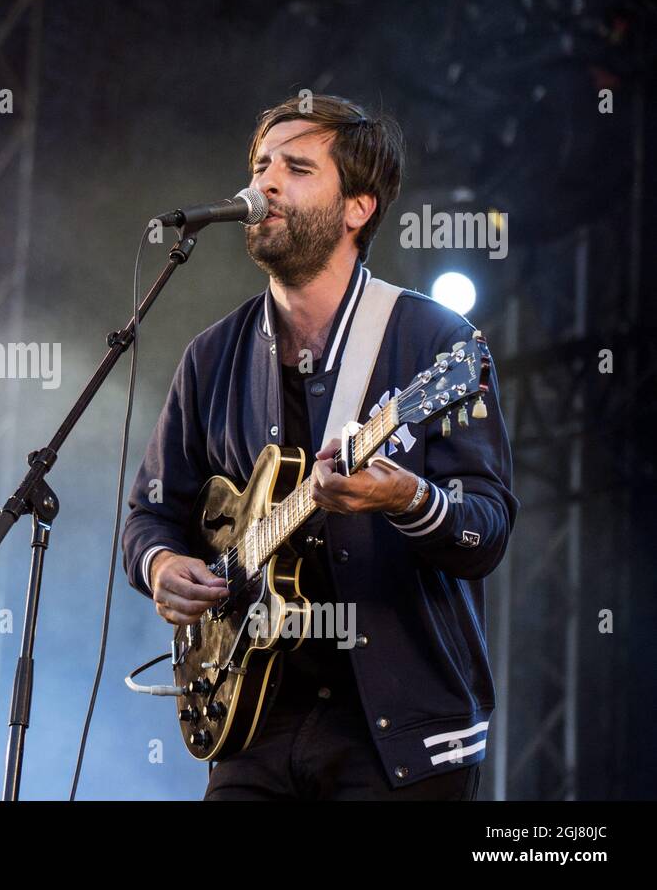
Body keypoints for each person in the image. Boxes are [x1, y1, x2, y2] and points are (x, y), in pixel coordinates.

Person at [121, 94, 518, 800]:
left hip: (397, 739)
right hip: (252, 726)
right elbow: (149, 513)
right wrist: (161, 565)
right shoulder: (212, 355)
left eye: (297, 167)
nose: (264, 183)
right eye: (261, 164)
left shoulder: (438, 343)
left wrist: (408, 498)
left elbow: (485, 529)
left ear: (357, 208)